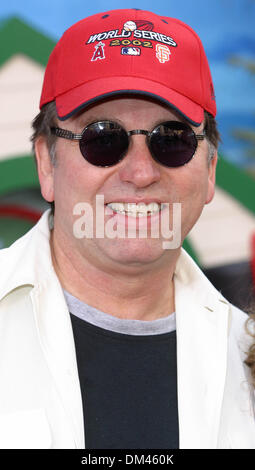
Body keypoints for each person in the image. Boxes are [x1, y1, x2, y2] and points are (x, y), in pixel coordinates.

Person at [0, 8, 254, 449]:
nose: (140, 173)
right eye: (103, 138)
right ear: (46, 163)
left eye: (172, 140)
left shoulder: (246, 355)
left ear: (211, 169)